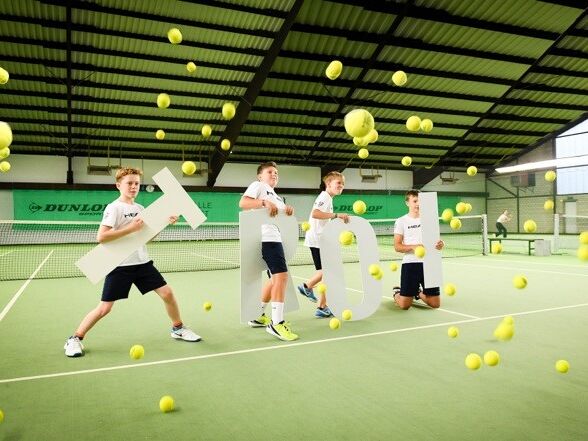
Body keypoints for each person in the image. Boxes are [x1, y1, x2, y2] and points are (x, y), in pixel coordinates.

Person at [64, 167, 201, 357]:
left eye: (137, 183)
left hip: (142, 263)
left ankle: (178, 328)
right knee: (105, 308)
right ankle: (75, 339)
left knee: (167, 293)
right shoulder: (114, 208)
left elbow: (146, 237)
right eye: (129, 183)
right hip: (120, 266)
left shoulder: (140, 209)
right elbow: (102, 237)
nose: (134, 186)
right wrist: (130, 229)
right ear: (118, 185)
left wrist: (164, 224)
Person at [239, 161, 298, 341]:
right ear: (260, 176)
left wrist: (287, 212)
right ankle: (277, 323)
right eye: (270, 172)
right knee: (281, 277)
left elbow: (277, 216)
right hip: (266, 239)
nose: (274, 175)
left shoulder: (277, 197)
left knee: (275, 279)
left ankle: (257, 315)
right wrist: (264, 202)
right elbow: (243, 202)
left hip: (275, 238)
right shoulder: (258, 186)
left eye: (276, 173)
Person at [298, 171, 349, 317]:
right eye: (338, 183)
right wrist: (336, 215)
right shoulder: (325, 196)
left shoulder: (328, 198)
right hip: (318, 240)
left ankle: (321, 307)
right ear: (328, 184)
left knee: (327, 273)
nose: (341, 186)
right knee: (327, 272)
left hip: (321, 239)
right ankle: (307, 287)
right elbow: (315, 213)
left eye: (343, 184)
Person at [392, 189, 444, 310]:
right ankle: (397, 293)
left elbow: (436, 242)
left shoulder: (430, 220)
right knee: (404, 305)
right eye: (415, 201)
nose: (418, 204)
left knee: (435, 304)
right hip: (411, 264)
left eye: (420, 201)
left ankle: (418, 293)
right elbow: (397, 246)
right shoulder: (401, 221)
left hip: (430, 263)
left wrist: (441, 244)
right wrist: (413, 247)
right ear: (407, 203)